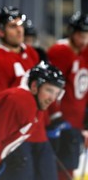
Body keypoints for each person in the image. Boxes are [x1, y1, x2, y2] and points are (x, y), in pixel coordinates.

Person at [0, 61, 65, 180]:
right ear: (34, 86)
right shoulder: (21, 101)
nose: (52, 99)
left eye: (57, 93)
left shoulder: (37, 107)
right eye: (49, 90)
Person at [46, 11, 88, 180]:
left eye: (86, 35)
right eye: (80, 34)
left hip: (76, 121)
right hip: (60, 123)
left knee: (70, 166)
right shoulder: (60, 51)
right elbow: (51, 88)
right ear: (71, 32)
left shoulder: (85, 52)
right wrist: (56, 116)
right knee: (60, 168)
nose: (83, 39)